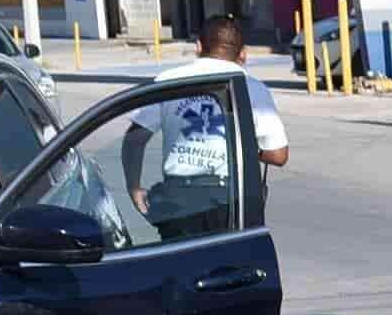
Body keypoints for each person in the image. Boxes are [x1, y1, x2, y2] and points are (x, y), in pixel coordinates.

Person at [122, 17, 290, 242]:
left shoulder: (168, 80)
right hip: (230, 201)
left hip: (178, 202)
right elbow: (278, 155)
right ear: (243, 54)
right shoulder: (254, 89)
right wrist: (243, 146)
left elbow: (135, 138)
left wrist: (134, 187)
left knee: (180, 269)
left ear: (199, 47)